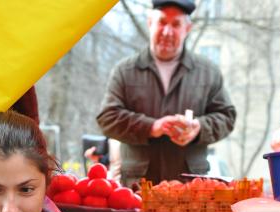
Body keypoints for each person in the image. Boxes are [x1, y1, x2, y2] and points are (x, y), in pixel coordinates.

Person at [96, 0, 236, 186]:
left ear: (187, 29)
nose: (167, 32)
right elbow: (107, 118)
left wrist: (199, 128)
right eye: (162, 22)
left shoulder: (208, 72)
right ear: (150, 23)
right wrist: (151, 127)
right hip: (137, 187)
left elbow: (227, 117)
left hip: (190, 188)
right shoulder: (125, 70)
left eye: (176, 24)